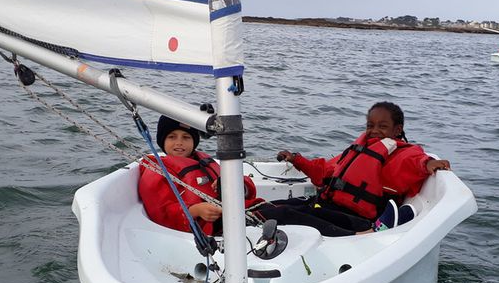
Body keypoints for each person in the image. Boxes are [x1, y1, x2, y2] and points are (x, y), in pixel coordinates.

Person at [273, 101, 450, 234]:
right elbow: (324, 172)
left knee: (285, 213)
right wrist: (297, 159)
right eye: (370, 125)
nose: (374, 130)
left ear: (397, 130)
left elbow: (414, 160)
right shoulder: (360, 148)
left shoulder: (401, 152)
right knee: (272, 206)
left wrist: (429, 164)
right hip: (328, 204)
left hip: (359, 219)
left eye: (383, 126)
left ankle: (369, 233)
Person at [139, 115, 263, 235]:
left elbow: (243, 188)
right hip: (210, 226)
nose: (179, 142)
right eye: (172, 137)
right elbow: (161, 212)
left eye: (186, 137)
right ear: (163, 141)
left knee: (278, 207)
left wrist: (237, 185)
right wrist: (195, 210)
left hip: (237, 209)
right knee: (277, 213)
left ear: (194, 141)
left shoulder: (203, 160)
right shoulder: (156, 170)